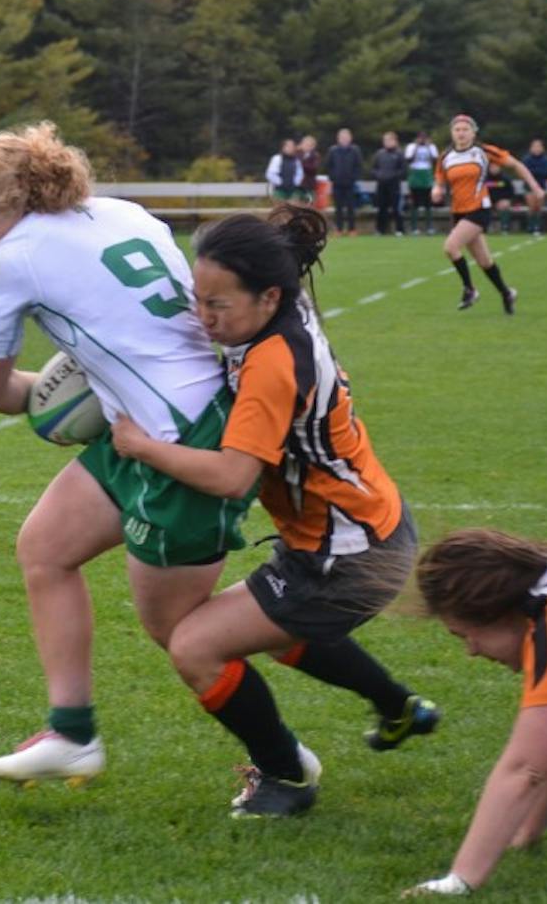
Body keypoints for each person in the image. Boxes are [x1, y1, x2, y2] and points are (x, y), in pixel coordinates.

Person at [0, 122, 255, 789]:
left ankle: (293, 749)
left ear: (9, 204)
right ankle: (72, 733)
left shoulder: (12, 260)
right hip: (162, 417)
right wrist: (92, 386)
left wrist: (55, 399)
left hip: (177, 436)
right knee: (45, 547)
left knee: (185, 631)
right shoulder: (120, 211)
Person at [111, 205, 438, 818]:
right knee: (274, 632)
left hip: (349, 556)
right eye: (197, 299)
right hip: (361, 529)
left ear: (268, 297)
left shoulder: (271, 362)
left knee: (195, 647)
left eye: (217, 305)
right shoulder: (281, 314)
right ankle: (399, 707)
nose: (203, 317)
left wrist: (140, 445)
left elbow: (233, 478)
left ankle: (286, 776)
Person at [404, 529, 547, 896]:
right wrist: (528, 829)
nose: (472, 650)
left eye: (465, 635)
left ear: (496, 612)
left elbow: (526, 768)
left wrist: (460, 880)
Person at [431, 115, 543, 314]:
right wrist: (436, 190)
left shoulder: (483, 151)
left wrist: (535, 187)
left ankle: (469, 289)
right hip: (458, 212)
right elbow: (439, 181)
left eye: (465, 129)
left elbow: (516, 165)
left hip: (479, 209)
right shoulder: (445, 157)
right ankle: (506, 293)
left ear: (473, 133)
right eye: (457, 130)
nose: (461, 133)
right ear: (452, 133)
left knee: (450, 247)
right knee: (484, 262)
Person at [326, 128, 363, 235]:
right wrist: (333, 177)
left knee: (351, 207)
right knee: (338, 208)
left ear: (350, 138)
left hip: (350, 184)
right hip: (337, 183)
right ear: (338, 139)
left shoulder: (355, 150)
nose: (344, 139)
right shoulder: (332, 150)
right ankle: (339, 229)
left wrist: (354, 178)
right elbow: (328, 166)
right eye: (342, 137)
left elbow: (358, 166)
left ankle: (352, 229)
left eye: (346, 137)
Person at [405, 131, 440, 235]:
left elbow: (435, 160)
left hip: (427, 174)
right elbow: (409, 160)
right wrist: (416, 147)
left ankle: (429, 227)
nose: (422, 140)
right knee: (414, 203)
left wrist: (428, 147)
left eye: (424, 138)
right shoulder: (411, 147)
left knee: (428, 203)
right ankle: (414, 227)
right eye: (420, 138)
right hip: (415, 174)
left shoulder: (431, 147)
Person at [372, 131, 406, 235]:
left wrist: (394, 176)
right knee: (381, 208)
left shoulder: (399, 154)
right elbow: (374, 169)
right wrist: (379, 175)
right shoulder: (379, 154)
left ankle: (399, 229)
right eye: (385, 140)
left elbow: (403, 170)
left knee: (396, 208)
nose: (387, 142)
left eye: (389, 140)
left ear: (395, 141)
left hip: (394, 185)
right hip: (381, 184)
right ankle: (380, 230)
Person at [520, 139, 547, 237]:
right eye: (534, 146)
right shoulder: (527, 160)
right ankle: (530, 226)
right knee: (532, 207)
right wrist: (535, 173)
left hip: (540, 186)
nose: (536, 149)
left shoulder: (546, 160)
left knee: (538, 207)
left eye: (539, 146)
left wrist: (533, 172)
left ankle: (537, 227)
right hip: (529, 187)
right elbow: (524, 173)